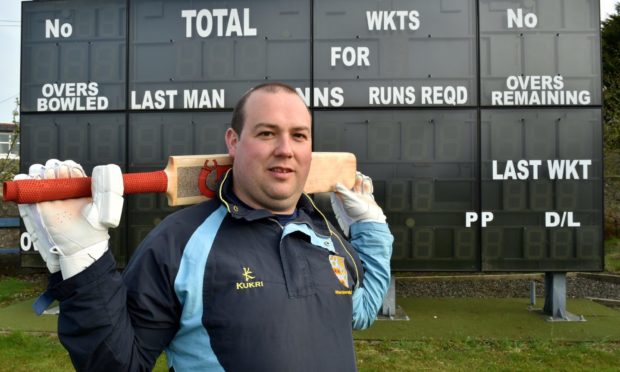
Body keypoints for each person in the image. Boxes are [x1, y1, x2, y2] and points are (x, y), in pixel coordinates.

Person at [17, 83, 393, 371]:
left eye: (299, 135)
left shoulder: (326, 235)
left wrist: (371, 228)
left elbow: (358, 312)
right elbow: (118, 364)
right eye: (266, 133)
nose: (286, 149)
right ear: (233, 141)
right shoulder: (179, 243)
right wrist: (83, 261)